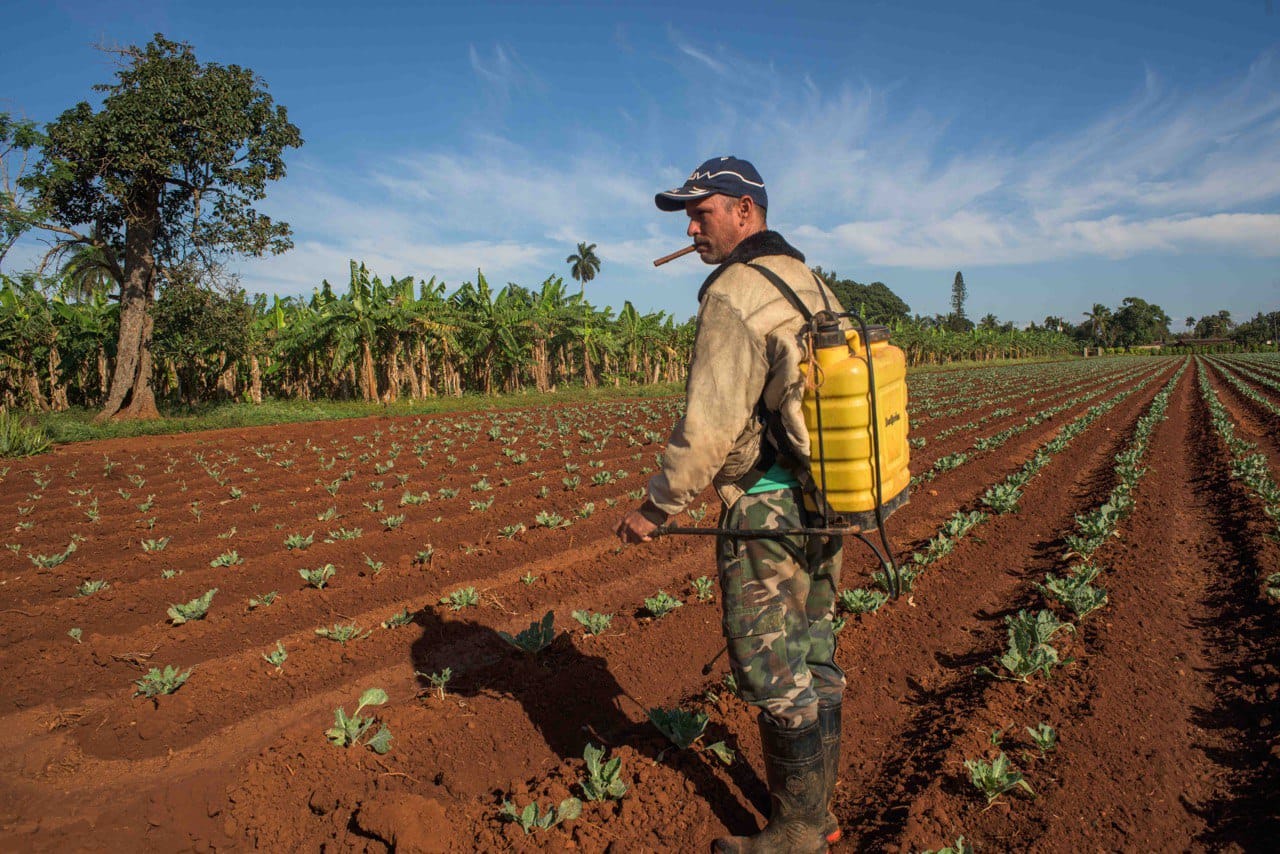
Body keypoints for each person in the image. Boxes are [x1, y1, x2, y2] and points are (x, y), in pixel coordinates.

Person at [615, 156, 845, 853]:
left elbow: (710, 425)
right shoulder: (810, 281)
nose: (691, 227)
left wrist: (656, 509)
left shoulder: (734, 293)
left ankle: (798, 830)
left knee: (773, 668)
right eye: (686, 216)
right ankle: (820, 814)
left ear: (745, 211)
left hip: (769, 508)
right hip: (830, 499)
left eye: (701, 211)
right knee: (817, 656)